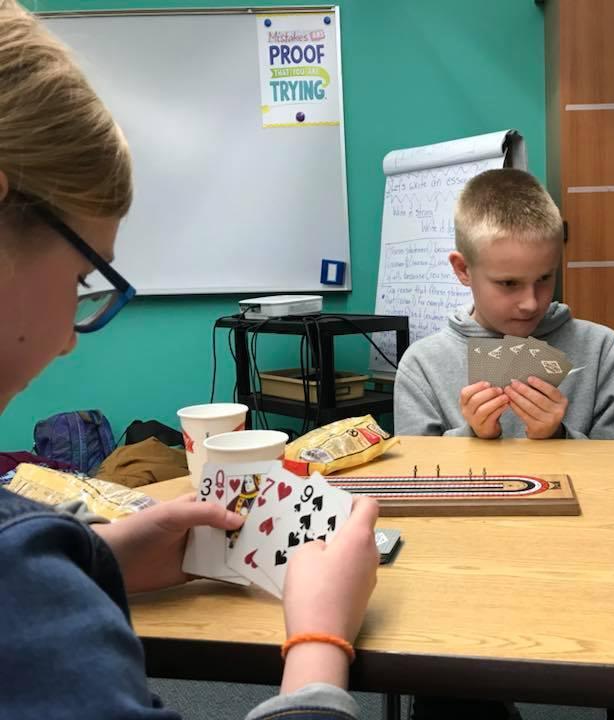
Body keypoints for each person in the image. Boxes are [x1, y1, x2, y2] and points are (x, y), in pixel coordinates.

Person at [0, 3, 379, 717]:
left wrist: (97, 556)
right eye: (86, 280)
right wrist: (320, 646)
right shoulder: (20, 591)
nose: (68, 338)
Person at [394, 168, 614, 441]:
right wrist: (473, 438)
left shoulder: (602, 349)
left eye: (544, 278)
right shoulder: (422, 365)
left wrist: (559, 436)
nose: (530, 303)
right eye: (508, 283)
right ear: (463, 270)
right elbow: (418, 476)